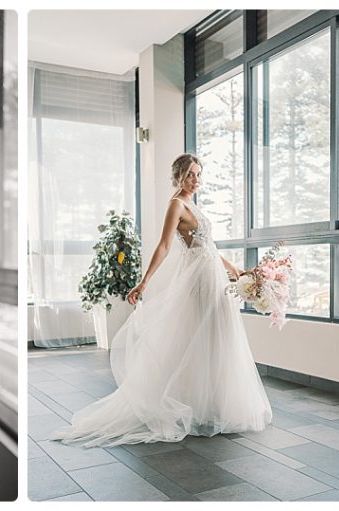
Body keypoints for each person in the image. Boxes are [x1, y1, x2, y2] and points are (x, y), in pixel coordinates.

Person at [52, 153, 272, 448]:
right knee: (196, 335)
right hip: (197, 279)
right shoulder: (176, 205)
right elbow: (165, 245)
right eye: (191, 174)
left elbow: (209, 246)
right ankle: (189, 401)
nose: (196, 180)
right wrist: (144, 281)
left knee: (216, 337)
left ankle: (214, 403)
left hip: (212, 276)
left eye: (198, 174)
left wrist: (235, 270)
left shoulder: (193, 204)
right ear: (179, 175)